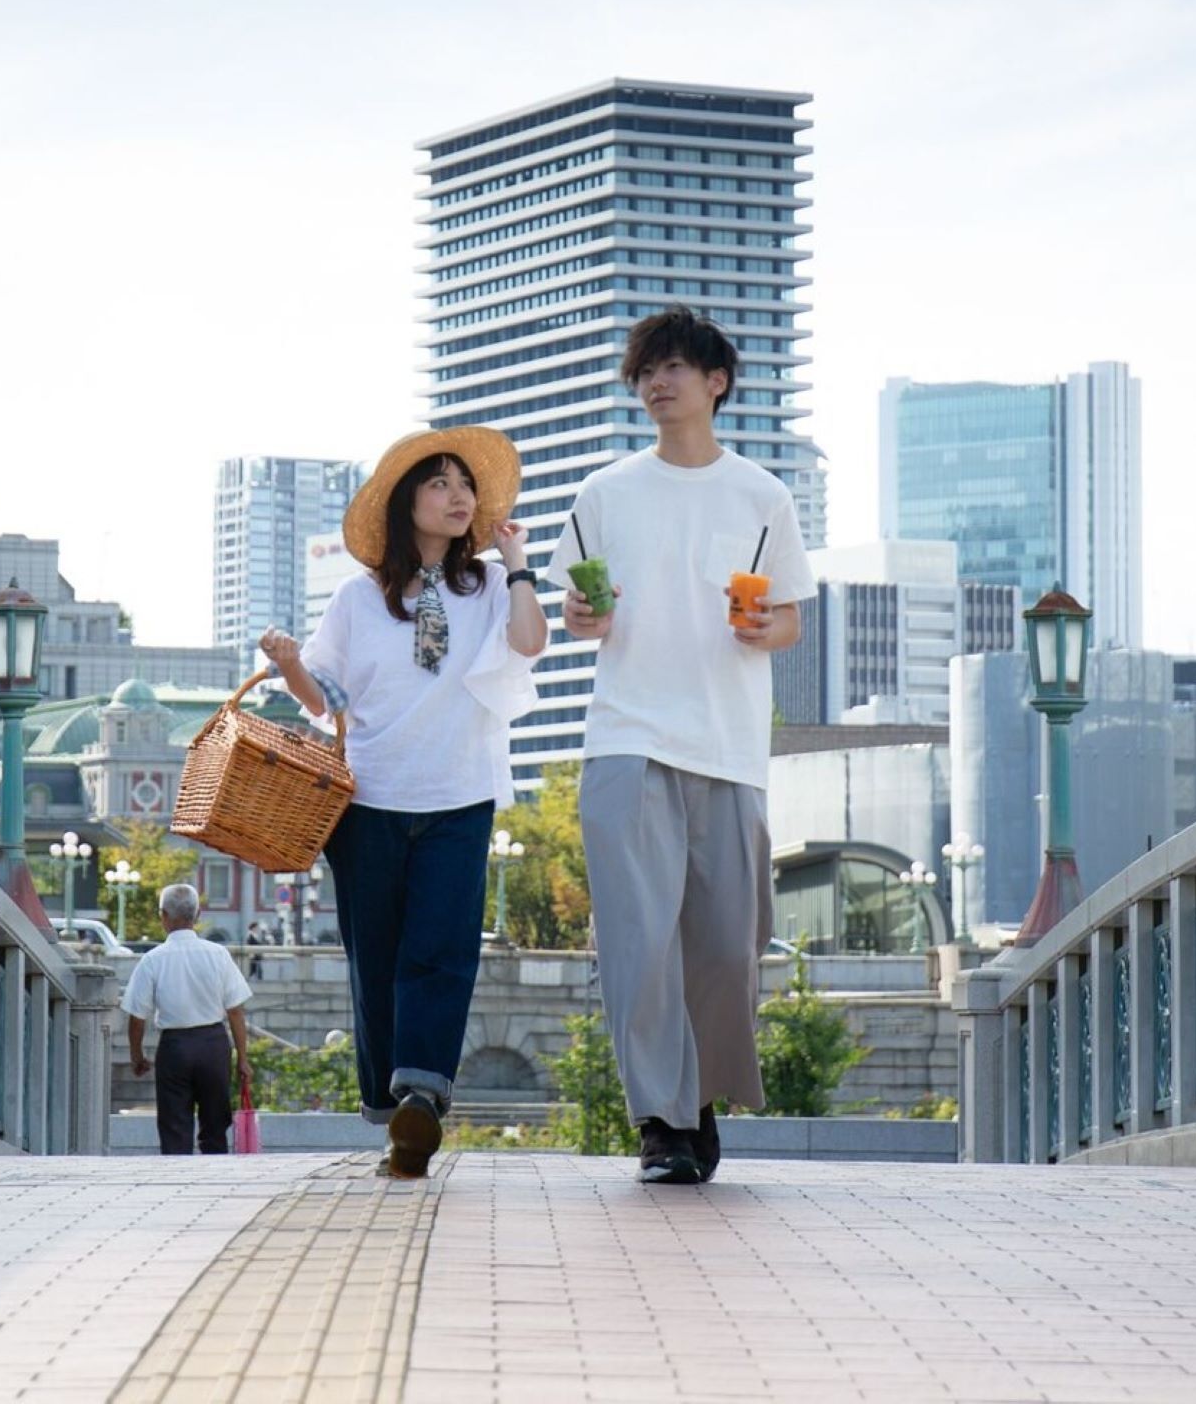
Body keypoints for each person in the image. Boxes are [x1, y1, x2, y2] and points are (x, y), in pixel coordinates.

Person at [552, 306, 812, 1187]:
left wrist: (759, 626)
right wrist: (583, 615)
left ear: (716, 382)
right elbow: (576, 615)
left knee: (724, 946)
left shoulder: (762, 496)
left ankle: (697, 1100)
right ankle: (661, 1123)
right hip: (626, 737)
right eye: (645, 372)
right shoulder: (604, 493)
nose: (656, 383)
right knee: (637, 941)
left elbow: (788, 623)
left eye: (674, 368)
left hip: (730, 747)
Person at [260, 426, 545, 1177]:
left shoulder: (486, 587)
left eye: (465, 487)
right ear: (406, 504)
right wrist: (292, 666)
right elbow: (326, 699)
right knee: (377, 959)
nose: (459, 499)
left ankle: (421, 1094)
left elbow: (531, 642)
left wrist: (517, 565)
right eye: (440, 485)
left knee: (442, 951)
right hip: (367, 800)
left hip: (461, 795)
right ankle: (393, 1111)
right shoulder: (359, 599)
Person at [121, 883, 253, 1156]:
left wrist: (137, 1056)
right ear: (198, 915)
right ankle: (215, 1182)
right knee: (215, 1125)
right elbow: (236, 1010)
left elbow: (136, 1017)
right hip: (214, 1045)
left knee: (174, 1128)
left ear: (163, 916)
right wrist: (243, 1058)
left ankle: (177, 1182)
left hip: (174, 1047)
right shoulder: (218, 955)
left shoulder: (152, 960)